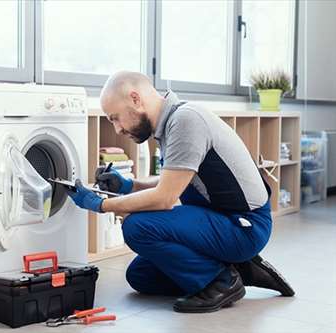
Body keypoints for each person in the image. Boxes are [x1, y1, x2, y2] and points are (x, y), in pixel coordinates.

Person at [67, 71, 294, 313]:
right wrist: (126, 186)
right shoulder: (172, 122)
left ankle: (222, 281)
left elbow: (164, 198)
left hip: (244, 226)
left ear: (135, 99)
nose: (118, 129)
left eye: (116, 118)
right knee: (141, 276)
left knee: (137, 227)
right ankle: (236, 266)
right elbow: (177, 180)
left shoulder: (186, 121)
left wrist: (100, 205)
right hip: (219, 219)